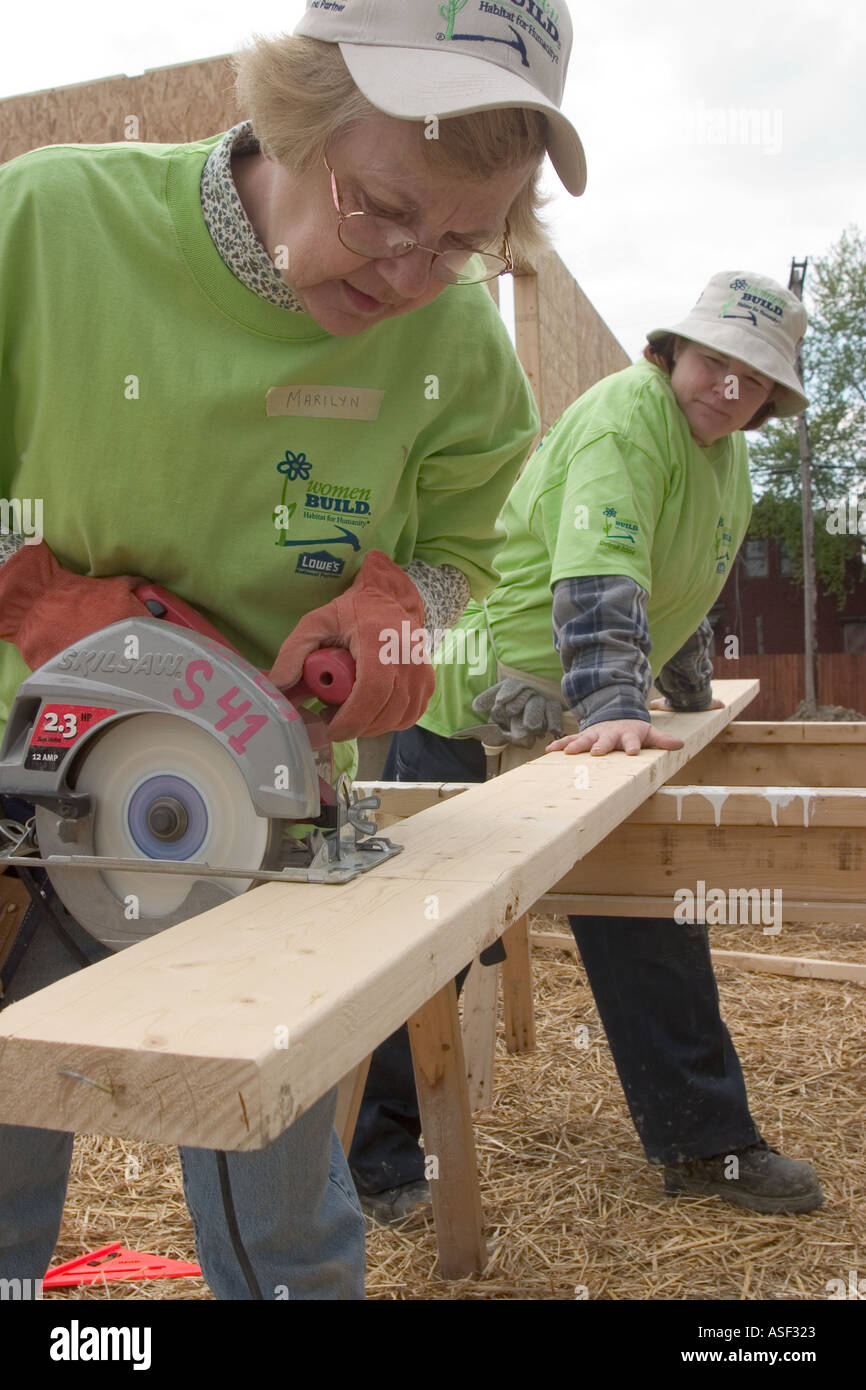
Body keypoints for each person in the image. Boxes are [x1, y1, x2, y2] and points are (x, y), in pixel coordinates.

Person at [0, 0, 588, 1298]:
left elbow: (473, 551)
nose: (402, 272)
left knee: (287, 1215)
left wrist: (402, 611)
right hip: (24, 794)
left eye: (459, 240)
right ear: (295, 108)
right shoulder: (43, 228)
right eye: (379, 207)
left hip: (272, 806)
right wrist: (32, 588)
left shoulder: (451, 342)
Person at [352, 271, 824, 1221]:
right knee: (423, 937)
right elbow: (600, 570)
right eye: (714, 363)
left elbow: (674, 572)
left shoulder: (721, 454)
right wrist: (613, 698)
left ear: (769, 400)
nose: (727, 389)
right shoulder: (628, 418)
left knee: (648, 902)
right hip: (472, 699)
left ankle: (703, 1145)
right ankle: (380, 1162)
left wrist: (685, 692)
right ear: (672, 351)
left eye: (751, 380)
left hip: (573, 713)